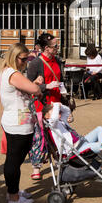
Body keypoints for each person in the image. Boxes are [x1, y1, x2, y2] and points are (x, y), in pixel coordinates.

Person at [0, 43, 42, 203]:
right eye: (23, 59)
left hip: (15, 119)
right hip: (17, 123)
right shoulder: (13, 73)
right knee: (14, 161)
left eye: (27, 59)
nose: (26, 63)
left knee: (14, 159)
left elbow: (27, 88)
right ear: (14, 57)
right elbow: (34, 89)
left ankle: (13, 192)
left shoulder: (8, 71)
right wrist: (36, 84)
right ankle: (14, 197)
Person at [43, 102, 102, 177]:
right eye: (55, 111)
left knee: (100, 129)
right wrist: (55, 105)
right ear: (47, 116)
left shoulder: (61, 121)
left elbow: (67, 111)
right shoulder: (52, 124)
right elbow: (54, 118)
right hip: (75, 149)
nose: (58, 111)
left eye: (58, 110)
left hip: (81, 142)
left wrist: (60, 106)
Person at [27, 32, 63, 180]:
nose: (57, 47)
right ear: (46, 48)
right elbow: (28, 86)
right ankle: (36, 167)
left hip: (57, 102)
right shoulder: (36, 63)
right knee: (39, 136)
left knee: (58, 136)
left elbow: (61, 80)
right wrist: (46, 86)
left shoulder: (58, 60)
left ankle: (60, 163)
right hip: (42, 105)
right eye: (55, 45)